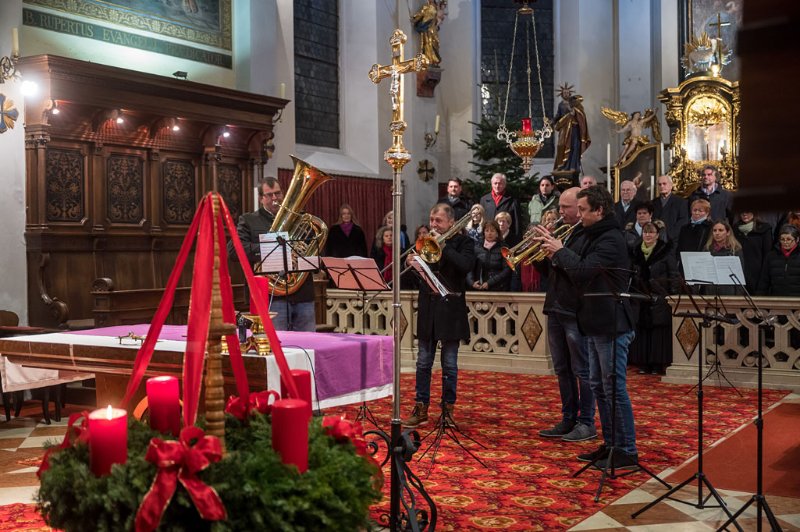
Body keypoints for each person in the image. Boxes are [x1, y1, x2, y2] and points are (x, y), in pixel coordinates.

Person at [537, 185, 640, 469]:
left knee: (614, 387)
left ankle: (626, 450)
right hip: (593, 321)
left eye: (583, 210)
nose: (578, 215)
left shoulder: (611, 238)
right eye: (578, 209)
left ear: (600, 210)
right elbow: (574, 270)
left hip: (612, 322)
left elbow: (583, 271)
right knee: (599, 385)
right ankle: (610, 445)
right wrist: (553, 254)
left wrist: (559, 251)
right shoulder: (589, 233)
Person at [532, 187, 596, 443]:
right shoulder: (563, 233)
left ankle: (586, 422)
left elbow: (581, 270)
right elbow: (553, 272)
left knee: (582, 368)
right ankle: (568, 417)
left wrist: (558, 250)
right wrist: (538, 254)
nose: (560, 212)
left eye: (565, 208)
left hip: (575, 309)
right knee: (562, 368)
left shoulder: (587, 235)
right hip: (556, 305)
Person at [403, 204, 475, 428]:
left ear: (451, 222)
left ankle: (448, 409)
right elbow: (417, 282)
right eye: (432, 220)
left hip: (451, 310)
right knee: (423, 362)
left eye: (438, 221)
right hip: (428, 310)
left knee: (450, 364)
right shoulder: (425, 244)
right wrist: (413, 266)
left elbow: (465, 267)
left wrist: (444, 246)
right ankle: (421, 407)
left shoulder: (465, 243)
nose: (433, 225)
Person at [229, 178, 316, 332]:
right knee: (277, 344)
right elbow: (234, 251)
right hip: (272, 297)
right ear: (261, 198)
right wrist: (273, 249)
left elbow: (314, 248)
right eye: (269, 195)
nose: (275, 198)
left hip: (303, 295)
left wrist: (302, 255)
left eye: (278, 193)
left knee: (308, 346)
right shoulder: (249, 220)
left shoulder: (301, 219)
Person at [629, 221, 679, 375]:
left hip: (660, 297)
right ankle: (643, 363)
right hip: (641, 297)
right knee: (642, 330)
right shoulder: (636, 252)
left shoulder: (665, 252)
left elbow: (673, 275)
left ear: (657, 235)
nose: (648, 235)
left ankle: (657, 364)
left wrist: (672, 295)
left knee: (658, 333)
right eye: (645, 232)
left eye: (651, 232)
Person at [553, 88, 591, 174]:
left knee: (574, 147)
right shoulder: (561, 104)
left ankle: (572, 166)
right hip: (564, 127)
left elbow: (581, 114)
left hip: (574, 128)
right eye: (564, 93)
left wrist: (574, 112)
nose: (566, 94)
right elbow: (558, 115)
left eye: (567, 93)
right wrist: (553, 121)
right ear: (562, 94)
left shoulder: (575, 103)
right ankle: (561, 165)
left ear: (570, 94)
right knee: (561, 145)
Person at [733, 212, 773, 294]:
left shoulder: (764, 228)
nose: (744, 214)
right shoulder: (734, 229)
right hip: (739, 274)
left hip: (758, 276)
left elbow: (768, 254)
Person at [467, 220, 511, 291]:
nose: (489, 233)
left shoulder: (504, 248)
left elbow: (507, 270)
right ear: (483, 233)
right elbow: (469, 267)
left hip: (498, 288)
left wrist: (490, 283)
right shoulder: (477, 247)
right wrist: (471, 282)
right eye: (487, 231)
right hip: (479, 287)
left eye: (492, 231)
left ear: (497, 233)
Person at [703, 220, 744, 295]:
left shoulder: (736, 249)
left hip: (729, 291)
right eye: (714, 230)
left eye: (720, 230)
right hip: (711, 291)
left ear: (728, 232)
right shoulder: (707, 248)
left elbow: (740, 275)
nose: (717, 233)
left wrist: (739, 296)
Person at [758, 225, 800, 296]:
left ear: (797, 239)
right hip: (777, 299)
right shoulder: (771, 256)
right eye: (782, 239)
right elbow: (764, 281)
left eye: (789, 239)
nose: (785, 242)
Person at [479, 173, 521, 240]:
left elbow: (517, 222)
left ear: (504, 185)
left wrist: (517, 239)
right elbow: (481, 220)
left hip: (506, 239)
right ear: (491, 184)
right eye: (495, 183)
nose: (497, 186)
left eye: (500, 183)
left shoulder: (512, 200)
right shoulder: (484, 200)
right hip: (488, 238)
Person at [677, 199, 714, 266]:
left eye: (700, 211)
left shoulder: (711, 227)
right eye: (695, 210)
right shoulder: (685, 228)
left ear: (707, 212)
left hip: (703, 262)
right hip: (686, 262)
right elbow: (680, 246)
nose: (697, 213)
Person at [652, 175, 688, 242]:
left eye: (664, 184)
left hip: (673, 241)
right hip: (655, 240)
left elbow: (683, 221)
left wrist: (669, 235)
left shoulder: (681, 202)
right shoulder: (653, 203)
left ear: (671, 185)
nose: (662, 186)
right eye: (659, 184)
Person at [411, 0, 446, 66]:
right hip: (427, 31)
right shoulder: (426, 7)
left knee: (434, 43)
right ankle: (430, 60)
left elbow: (433, 19)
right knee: (428, 44)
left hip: (432, 30)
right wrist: (415, 18)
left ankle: (433, 60)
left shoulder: (434, 8)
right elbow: (421, 14)